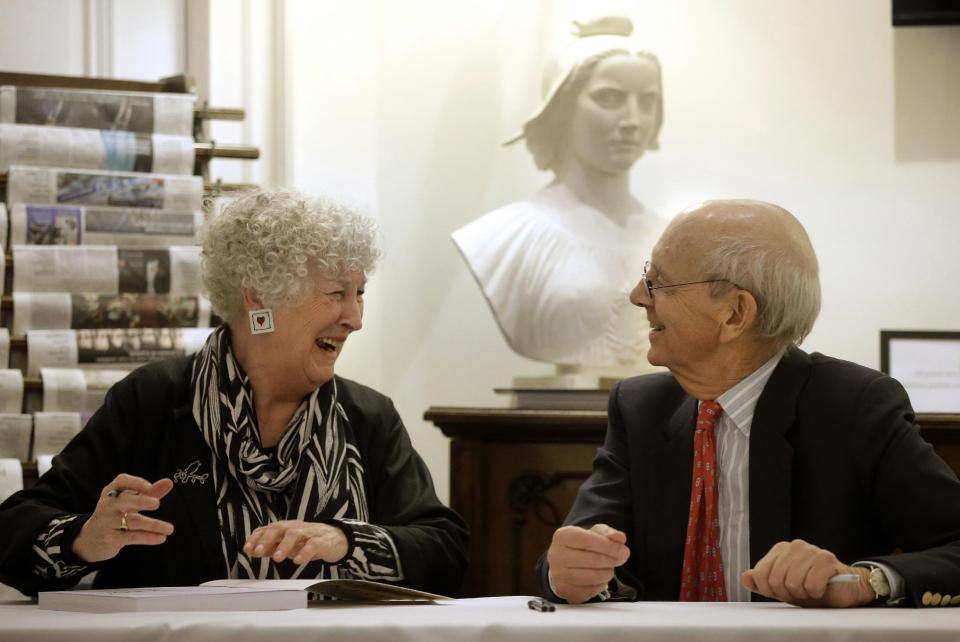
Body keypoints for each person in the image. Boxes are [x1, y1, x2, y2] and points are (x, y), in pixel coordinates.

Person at [0, 189, 469, 596]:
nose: (355, 318)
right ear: (258, 296)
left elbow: (446, 551)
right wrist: (86, 537)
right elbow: (13, 530)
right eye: (335, 294)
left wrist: (348, 541)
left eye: (359, 293)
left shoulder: (367, 415)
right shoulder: (155, 399)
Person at [537, 199, 960, 607]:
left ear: (736, 314)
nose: (637, 296)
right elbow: (581, 549)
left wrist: (863, 580)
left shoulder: (854, 406)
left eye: (657, 283)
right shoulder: (639, 407)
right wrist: (571, 572)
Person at [452, 15, 668, 369]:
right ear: (562, 108)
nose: (632, 120)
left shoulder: (670, 236)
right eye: (610, 98)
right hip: (555, 419)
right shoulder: (503, 236)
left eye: (646, 101)